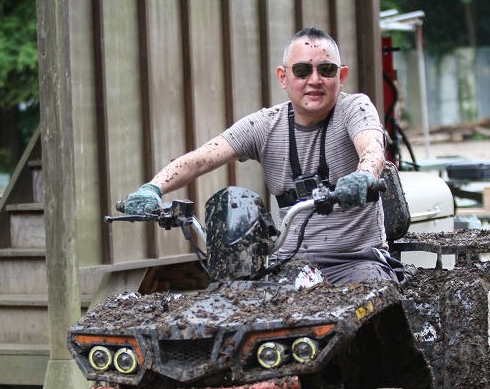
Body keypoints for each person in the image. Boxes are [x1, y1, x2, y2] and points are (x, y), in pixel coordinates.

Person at [122, 26, 395, 284]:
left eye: (326, 70)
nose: (314, 80)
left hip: (358, 262)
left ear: (341, 76)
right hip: (291, 267)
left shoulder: (355, 108)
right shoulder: (264, 125)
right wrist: (153, 188)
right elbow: (201, 159)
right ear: (283, 77)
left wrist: (364, 176)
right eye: (302, 70)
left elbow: (372, 149)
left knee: (373, 299)